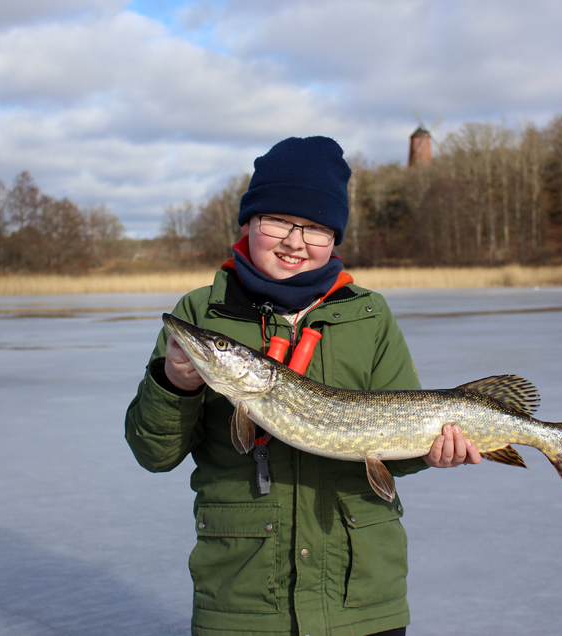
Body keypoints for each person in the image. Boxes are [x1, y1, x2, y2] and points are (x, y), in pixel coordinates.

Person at [125, 136, 481, 636]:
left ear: (335, 237)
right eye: (277, 221)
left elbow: (393, 448)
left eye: (315, 227)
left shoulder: (369, 314)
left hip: (359, 600)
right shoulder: (201, 312)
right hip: (242, 599)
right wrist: (175, 382)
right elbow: (153, 453)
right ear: (248, 223)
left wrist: (431, 452)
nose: (295, 241)